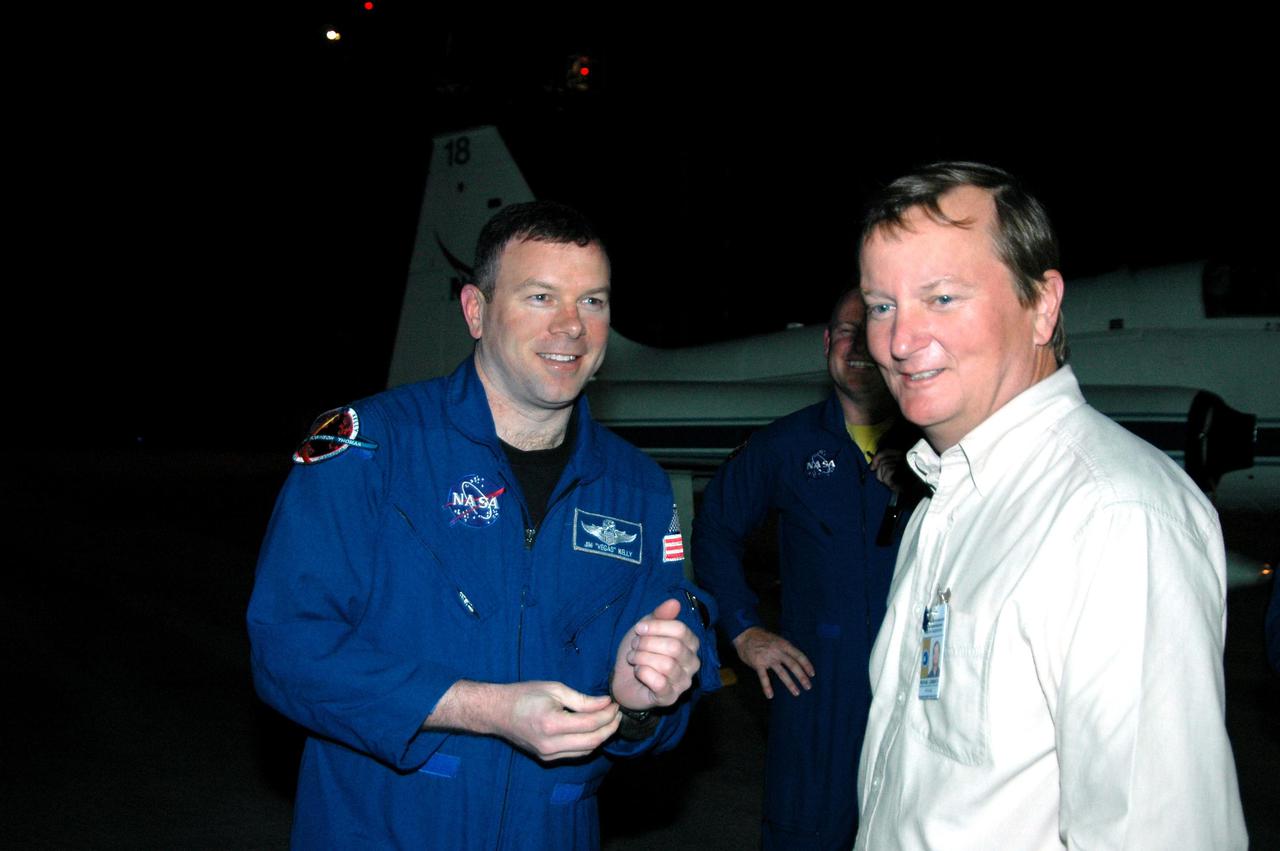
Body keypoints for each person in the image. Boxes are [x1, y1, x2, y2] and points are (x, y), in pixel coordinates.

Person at [248, 201, 718, 850]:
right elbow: (287, 648)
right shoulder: (370, 449)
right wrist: (481, 707)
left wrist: (641, 703)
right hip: (380, 826)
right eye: (540, 296)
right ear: (475, 310)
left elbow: (662, 693)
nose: (571, 328)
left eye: (593, 302)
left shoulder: (635, 486)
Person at [854, 163, 1247, 849]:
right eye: (881, 305)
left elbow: (1159, 830)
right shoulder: (942, 503)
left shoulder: (1115, 517)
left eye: (941, 297)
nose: (900, 340)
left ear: (1042, 305)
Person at [694, 289, 922, 850]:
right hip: (819, 685)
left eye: (874, 327)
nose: (861, 344)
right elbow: (715, 530)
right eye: (848, 330)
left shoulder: (935, 444)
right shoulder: (785, 446)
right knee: (806, 833)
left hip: (918, 685)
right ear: (827, 344)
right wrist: (744, 630)